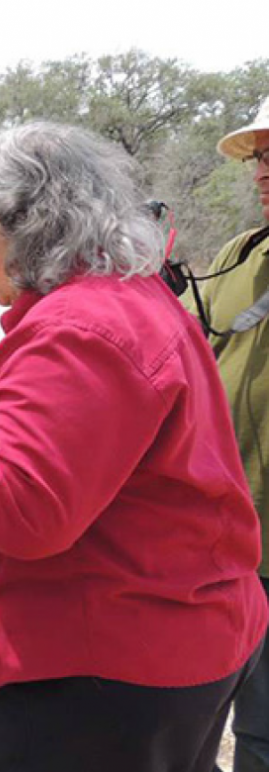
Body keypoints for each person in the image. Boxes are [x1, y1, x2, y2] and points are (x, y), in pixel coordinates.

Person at [0, 121, 268, 772]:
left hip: (104, 664)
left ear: (24, 222)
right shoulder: (136, 296)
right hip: (180, 636)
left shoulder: (79, 327)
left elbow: (21, 506)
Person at [183, 98, 269, 772]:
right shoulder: (240, 252)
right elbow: (181, 344)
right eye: (260, 157)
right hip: (222, 533)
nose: (261, 172)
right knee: (196, 715)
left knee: (263, 730)